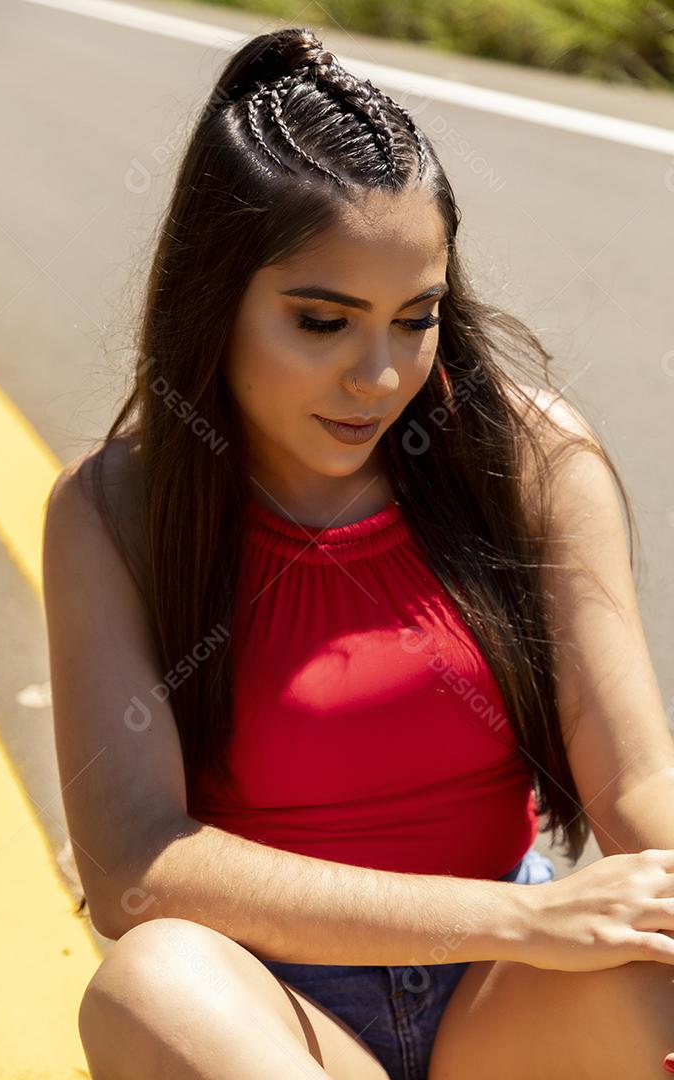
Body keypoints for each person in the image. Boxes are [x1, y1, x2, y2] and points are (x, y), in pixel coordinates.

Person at [42, 26, 674, 1080]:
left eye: (415, 319)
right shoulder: (114, 508)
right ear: (217, 301)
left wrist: (611, 909)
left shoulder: (532, 458)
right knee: (149, 985)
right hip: (274, 1018)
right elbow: (133, 868)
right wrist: (518, 921)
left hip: (506, 1001)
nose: (379, 377)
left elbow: (637, 779)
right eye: (323, 322)